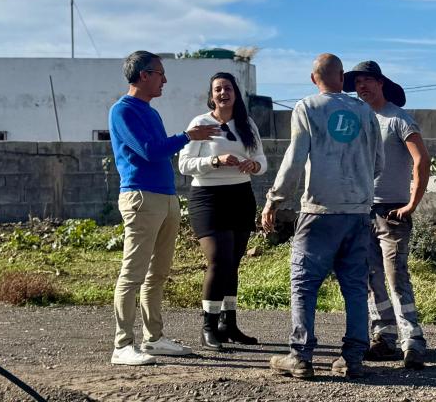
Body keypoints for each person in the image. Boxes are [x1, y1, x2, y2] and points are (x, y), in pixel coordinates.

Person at [262, 53, 382, 379]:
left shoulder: (307, 107)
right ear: (342, 77)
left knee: (304, 284)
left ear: (313, 78)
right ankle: (353, 358)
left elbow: (295, 159)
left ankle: (300, 356)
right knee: (355, 287)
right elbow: (379, 164)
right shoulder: (365, 112)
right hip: (358, 212)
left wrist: (274, 199)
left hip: (320, 212)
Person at [108, 50, 220, 366]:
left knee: (158, 273)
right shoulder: (123, 111)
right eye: (160, 73)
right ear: (144, 75)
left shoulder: (150, 112)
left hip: (166, 197)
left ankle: (153, 339)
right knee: (133, 273)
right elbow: (149, 150)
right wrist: (187, 136)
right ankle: (122, 345)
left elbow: (159, 151)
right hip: (141, 197)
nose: (164, 80)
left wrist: (184, 139)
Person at [345, 61, 431, 369]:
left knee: (396, 278)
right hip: (363, 211)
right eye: (358, 82)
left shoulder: (398, 119)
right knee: (371, 279)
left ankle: (414, 341)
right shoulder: (358, 119)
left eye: (368, 80)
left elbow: (421, 161)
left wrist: (412, 203)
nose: (362, 86)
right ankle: (384, 338)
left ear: (381, 83)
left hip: (392, 212)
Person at [177, 72, 267, 351]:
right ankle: (209, 326)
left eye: (227, 88)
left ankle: (229, 324)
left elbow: (262, 160)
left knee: (233, 263)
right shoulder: (200, 123)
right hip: (208, 197)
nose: (223, 93)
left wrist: (253, 166)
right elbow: (184, 164)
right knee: (219, 259)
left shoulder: (246, 123)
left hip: (241, 196)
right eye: (217, 89)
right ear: (211, 95)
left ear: (235, 93)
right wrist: (215, 160)